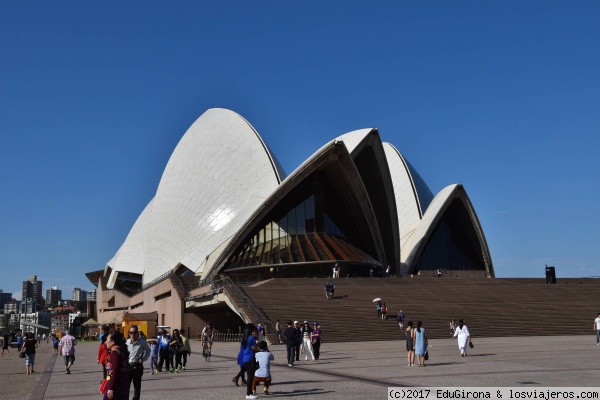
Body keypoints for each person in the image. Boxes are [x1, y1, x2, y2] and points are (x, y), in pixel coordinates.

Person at [104, 330, 130, 400]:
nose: (106, 342)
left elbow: (114, 370)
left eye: (107, 340)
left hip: (116, 384)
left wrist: (110, 387)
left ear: (112, 342)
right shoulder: (121, 350)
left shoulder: (115, 353)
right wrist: (106, 380)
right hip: (124, 383)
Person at [126, 324, 151, 400]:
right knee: (126, 387)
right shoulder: (126, 342)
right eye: (131, 333)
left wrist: (143, 359)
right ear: (129, 333)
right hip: (128, 366)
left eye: (134, 332)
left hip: (137, 366)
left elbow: (148, 351)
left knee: (137, 387)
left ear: (137, 333)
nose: (133, 334)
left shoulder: (142, 342)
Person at [238, 324, 259, 400]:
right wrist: (259, 348)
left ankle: (249, 392)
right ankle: (248, 393)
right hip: (250, 358)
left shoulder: (243, 338)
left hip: (245, 358)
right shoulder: (251, 338)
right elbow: (254, 348)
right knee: (250, 376)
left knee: (249, 376)